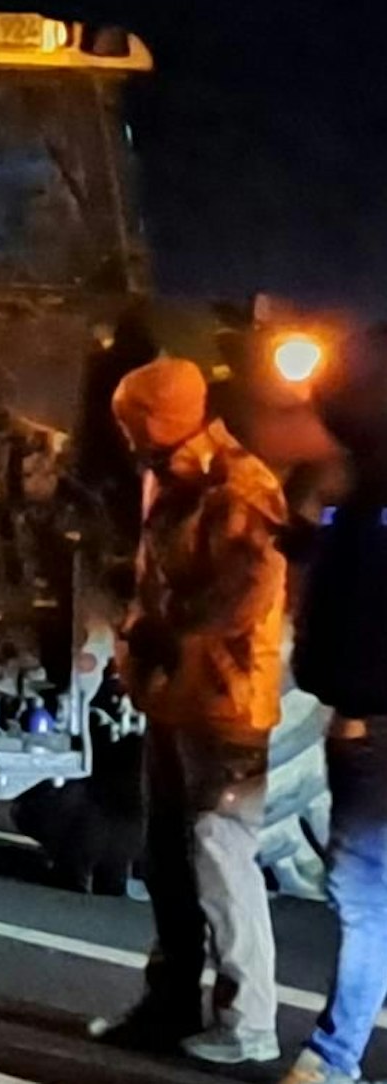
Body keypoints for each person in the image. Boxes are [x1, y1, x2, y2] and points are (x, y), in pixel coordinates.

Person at [90, 356, 287, 1065]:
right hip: (175, 699)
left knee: (220, 857)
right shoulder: (169, 479)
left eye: (131, 423)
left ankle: (248, 1023)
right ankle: (168, 1004)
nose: (124, 438)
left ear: (156, 422)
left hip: (225, 707)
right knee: (169, 860)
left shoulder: (237, 488)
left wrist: (161, 628)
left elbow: (244, 595)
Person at [284, 324, 387, 1084]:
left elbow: (346, 617)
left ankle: (334, 1057)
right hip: (363, 718)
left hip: (370, 725)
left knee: (364, 899)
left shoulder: (361, 501)